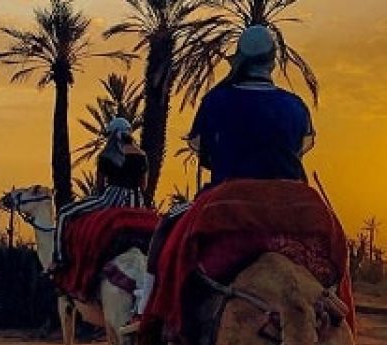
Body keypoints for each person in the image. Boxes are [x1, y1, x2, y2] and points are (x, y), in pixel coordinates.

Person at [127, 24, 316, 327]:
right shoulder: (295, 107)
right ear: (273, 61)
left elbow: (204, 152)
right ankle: (345, 319)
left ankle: (148, 312)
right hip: (291, 202)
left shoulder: (217, 100)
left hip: (227, 198)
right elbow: (300, 148)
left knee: (166, 232)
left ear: (240, 59)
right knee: (334, 247)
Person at [54, 117, 148, 267]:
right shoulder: (142, 155)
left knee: (64, 213)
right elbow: (143, 186)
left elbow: (100, 186)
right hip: (137, 201)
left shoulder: (106, 156)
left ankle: (59, 259)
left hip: (112, 197)